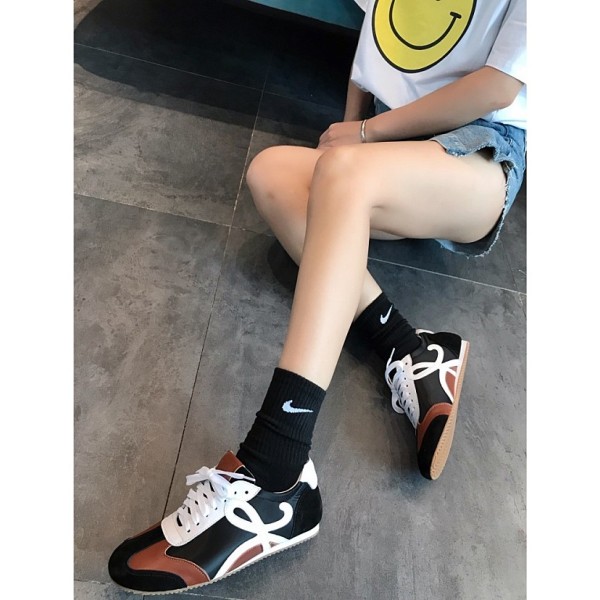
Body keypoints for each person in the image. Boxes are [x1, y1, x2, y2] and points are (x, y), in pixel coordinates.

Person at [108, 0, 526, 593]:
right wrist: (351, 128)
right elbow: (377, 38)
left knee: (344, 176)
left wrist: (363, 138)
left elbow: (499, 87)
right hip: (388, 140)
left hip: (482, 151)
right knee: (271, 173)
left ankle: (277, 468)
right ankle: (411, 349)